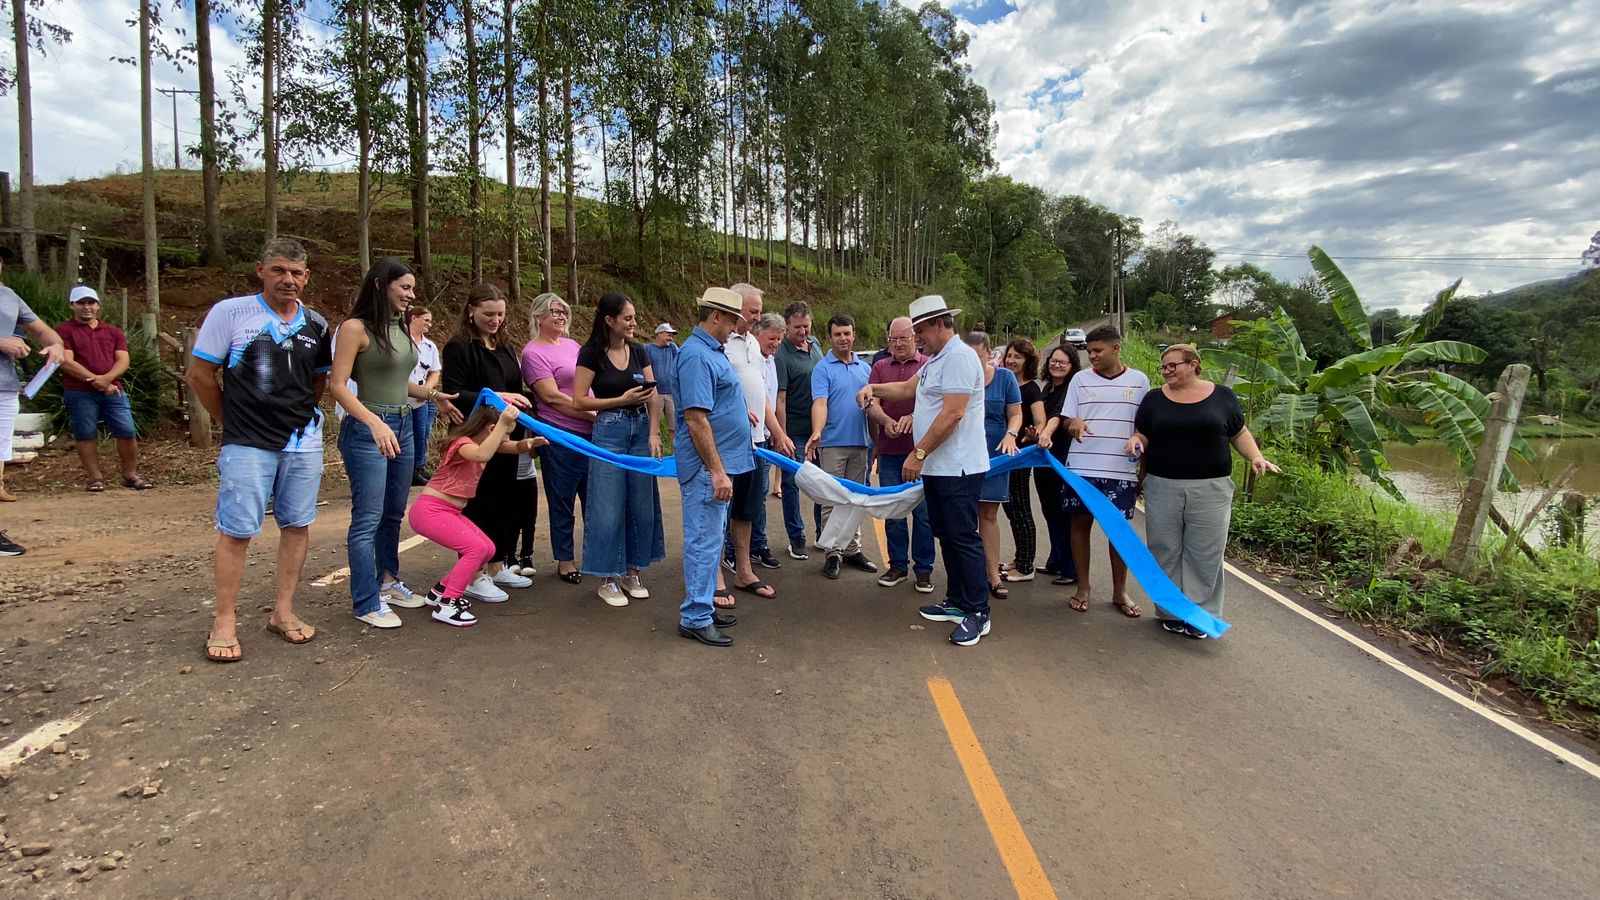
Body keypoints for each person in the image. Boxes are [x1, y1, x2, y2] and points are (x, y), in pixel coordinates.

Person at [185, 239, 330, 662]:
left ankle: (283, 611)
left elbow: (318, 381)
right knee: (237, 530)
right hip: (247, 442)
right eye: (280, 270)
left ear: (307, 277)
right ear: (260, 270)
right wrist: (228, 420)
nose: (289, 280)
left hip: (303, 440)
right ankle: (224, 621)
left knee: (298, 524)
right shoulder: (230, 313)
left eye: (297, 273)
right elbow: (199, 374)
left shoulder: (317, 324)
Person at [857, 295, 993, 646]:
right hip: (940, 467)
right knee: (947, 535)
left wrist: (917, 453)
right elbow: (905, 388)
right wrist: (873, 387)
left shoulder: (960, 358)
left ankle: (978, 610)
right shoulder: (937, 361)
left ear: (938, 325)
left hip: (958, 467)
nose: (917, 339)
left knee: (963, 537)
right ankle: (959, 600)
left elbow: (953, 413)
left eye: (920, 332)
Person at [1128, 343, 1279, 638]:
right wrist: (1136, 442)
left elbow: (1239, 432)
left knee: (1205, 552)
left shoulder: (1222, 396)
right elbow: (1142, 432)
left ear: (1194, 364)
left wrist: (1256, 457)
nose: (1167, 371)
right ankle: (1171, 611)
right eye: (1164, 367)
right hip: (1162, 485)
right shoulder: (1154, 399)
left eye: (1173, 365)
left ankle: (1199, 615)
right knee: (1165, 549)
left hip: (1210, 488)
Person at [329, 258, 430, 628]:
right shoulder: (355, 328)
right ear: (379, 285)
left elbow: (398, 380)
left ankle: (387, 581)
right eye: (404, 287)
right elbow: (337, 386)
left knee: (392, 513)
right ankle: (366, 601)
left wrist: (434, 396)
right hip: (368, 429)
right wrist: (373, 422)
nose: (411, 295)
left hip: (402, 423)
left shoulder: (400, 328)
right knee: (367, 518)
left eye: (412, 288)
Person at [1038, 325, 1150, 617]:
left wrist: (1138, 441)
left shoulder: (1139, 381)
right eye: (1089, 351)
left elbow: (1145, 425)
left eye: (1098, 350)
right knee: (1079, 525)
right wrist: (1072, 424)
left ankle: (1119, 591)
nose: (1093, 356)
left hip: (1121, 470)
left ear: (1116, 348)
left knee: (1119, 532)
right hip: (1081, 468)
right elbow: (1067, 419)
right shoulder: (1079, 380)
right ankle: (1083, 587)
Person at [408, 402, 546, 627]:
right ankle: (448, 603)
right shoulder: (463, 443)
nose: (504, 438)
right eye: (503, 433)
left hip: (449, 511)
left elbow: (506, 447)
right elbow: (482, 454)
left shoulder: (482, 442)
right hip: (431, 511)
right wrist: (503, 423)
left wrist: (527, 443)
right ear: (492, 429)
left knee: (488, 549)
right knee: (476, 548)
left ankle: (441, 590)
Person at [440, 283, 535, 602]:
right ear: (471, 311)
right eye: (488, 314)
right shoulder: (459, 347)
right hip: (478, 435)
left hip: (507, 434)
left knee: (504, 501)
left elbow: (516, 387)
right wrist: (496, 398)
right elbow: (457, 393)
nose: (495, 320)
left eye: (500, 314)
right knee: (478, 504)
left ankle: (497, 564)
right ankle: (473, 574)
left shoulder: (506, 347)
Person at [573, 291, 667, 607]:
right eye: (627, 318)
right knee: (607, 505)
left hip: (640, 431)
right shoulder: (591, 354)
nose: (633, 323)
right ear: (609, 321)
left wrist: (654, 434)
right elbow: (579, 401)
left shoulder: (640, 351)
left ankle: (632, 572)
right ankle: (606, 577)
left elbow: (652, 394)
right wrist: (619, 401)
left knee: (641, 504)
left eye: (634, 317)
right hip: (609, 430)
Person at [674, 287, 750, 647]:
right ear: (716, 316)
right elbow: (695, 418)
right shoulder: (696, 356)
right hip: (707, 469)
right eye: (732, 320)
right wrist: (717, 471)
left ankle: (702, 605)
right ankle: (695, 616)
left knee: (711, 539)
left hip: (717, 464)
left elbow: (714, 406)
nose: (735, 327)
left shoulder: (709, 353)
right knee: (704, 542)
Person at [522, 291, 594, 585]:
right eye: (555, 311)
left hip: (593, 435)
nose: (562, 316)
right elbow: (552, 397)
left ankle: (597, 556)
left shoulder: (572, 345)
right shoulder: (532, 353)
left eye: (564, 311)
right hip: (561, 433)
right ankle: (565, 560)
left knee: (595, 500)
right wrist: (594, 414)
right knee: (562, 499)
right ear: (538, 317)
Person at [724, 309, 794, 601]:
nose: (756, 315)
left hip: (756, 442)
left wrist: (777, 432)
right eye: (752, 309)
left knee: (747, 509)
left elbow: (763, 395)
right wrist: (737, 409)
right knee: (719, 511)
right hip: (727, 443)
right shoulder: (719, 343)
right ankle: (715, 575)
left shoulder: (752, 343)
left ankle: (743, 571)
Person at [0, 245, 66, 556]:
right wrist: (3, 342)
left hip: (4, 386)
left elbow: (44, 331)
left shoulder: (9, 295)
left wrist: (55, 346)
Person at [55, 285, 151, 492]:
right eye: (81, 303)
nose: (87, 307)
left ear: (98, 305)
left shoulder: (112, 331)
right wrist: (95, 381)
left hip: (113, 389)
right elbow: (66, 361)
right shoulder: (63, 331)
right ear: (72, 305)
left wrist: (106, 380)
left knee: (126, 431)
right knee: (85, 433)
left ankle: (130, 474)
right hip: (79, 391)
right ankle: (94, 477)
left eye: (91, 303)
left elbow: (123, 360)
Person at [806, 314, 878, 579]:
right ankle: (832, 552)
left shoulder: (865, 369)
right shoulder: (823, 369)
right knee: (832, 500)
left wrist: (876, 441)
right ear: (830, 337)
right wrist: (817, 431)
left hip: (861, 444)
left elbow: (873, 408)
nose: (843, 338)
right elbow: (820, 403)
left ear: (854, 334)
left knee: (856, 499)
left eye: (847, 333)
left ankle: (851, 549)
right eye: (838, 334)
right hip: (833, 444)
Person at [866, 316, 934, 593]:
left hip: (920, 452)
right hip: (890, 451)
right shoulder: (880, 366)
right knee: (893, 510)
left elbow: (936, 404)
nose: (897, 344)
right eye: (892, 339)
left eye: (903, 339)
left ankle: (924, 569)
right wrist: (885, 421)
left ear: (915, 338)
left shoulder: (928, 366)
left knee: (923, 513)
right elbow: (872, 403)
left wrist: (913, 416)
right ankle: (897, 565)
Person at [965, 332, 1022, 600]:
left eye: (978, 357)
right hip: (963, 453)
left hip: (995, 453)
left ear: (989, 354)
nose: (974, 363)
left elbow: (1015, 413)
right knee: (963, 514)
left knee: (988, 513)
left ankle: (993, 575)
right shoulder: (960, 378)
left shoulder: (1005, 378)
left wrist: (1011, 434)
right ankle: (967, 574)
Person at [773, 300, 823, 559]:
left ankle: (823, 533)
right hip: (795, 430)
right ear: (787, 327)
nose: (802, 332)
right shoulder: (781, 354)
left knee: (821, 484)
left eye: (806, 326)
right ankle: (796, 536)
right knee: (792, 484)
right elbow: (780, 399)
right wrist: (782, 435)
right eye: (796, 328)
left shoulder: (815, 345)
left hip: (819, 429)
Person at [1033, 345, 1081, 586]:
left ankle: (1070, 568)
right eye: (1054, 361)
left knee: (1063, 513)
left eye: (1063, 362)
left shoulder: (1071, 389)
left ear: (1072, 366)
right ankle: (1056, 560)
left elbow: (1057, 417)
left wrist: (1046, 432)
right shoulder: (1047, 388)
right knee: (1049, 510)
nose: (1057, 365)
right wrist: (1037, 434)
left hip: (1062, 457)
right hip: (1043, 457)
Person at [999, 338, 1043, 582]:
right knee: (1010, 509)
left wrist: (1033, 435)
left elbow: (1040, 421)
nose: (1011, 361)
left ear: (1028, 361)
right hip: (1004, 456)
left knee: (1020, 509)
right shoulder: (1005, 383)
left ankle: (1026, 567)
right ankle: (1020, 557)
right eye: (1009, 356)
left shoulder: (1030, 389)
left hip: (1020, 457)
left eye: (1017, 357)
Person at [405, 305, 444, 486]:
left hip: (422, 398)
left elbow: (435, 372)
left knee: (422, 434)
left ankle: (418, 468)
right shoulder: (401, 340)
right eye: (426, 320)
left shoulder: (430, 346)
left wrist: (427, 391)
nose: (429, 324)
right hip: (402, 397)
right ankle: (406, 469)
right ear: (413, 318)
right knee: (407, 435)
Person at [645, 322, 679, 441]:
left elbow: (680, 362)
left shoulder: (673, 348)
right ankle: (653, 452)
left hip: (671, 393)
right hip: (655, 393)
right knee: (653, 425)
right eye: (668, 335)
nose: (671, 338)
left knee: (674, 427)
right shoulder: (648, 348)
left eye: (672, 335)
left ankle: (676, 455)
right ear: (659, 334)